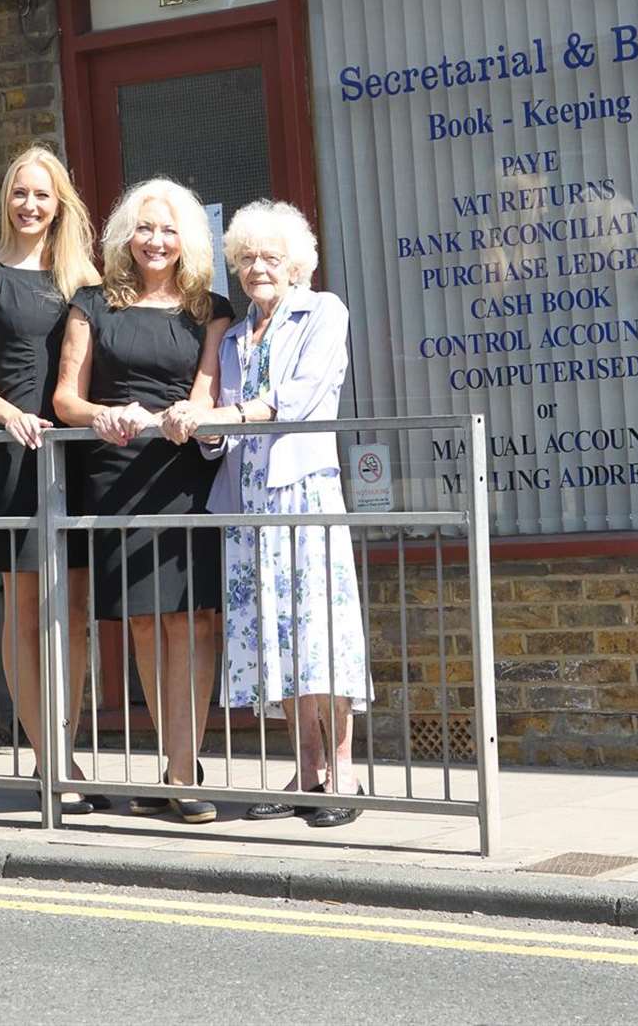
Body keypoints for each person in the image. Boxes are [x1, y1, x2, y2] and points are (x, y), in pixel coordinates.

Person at [166, 199, 368, 828]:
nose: (258, 268)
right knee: (275, 641)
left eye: (270, 258)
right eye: (247, 257)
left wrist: (220, 417)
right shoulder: (231, 338)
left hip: (302, 496)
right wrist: (196, 427)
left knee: (318, 635)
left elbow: (298, 401)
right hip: (248, 505)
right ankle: (303, 771)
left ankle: (341, 775)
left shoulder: (322, 312)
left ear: (296, 264)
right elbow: (221, 428)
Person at [53, 178, 232, 823]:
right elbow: (65, 400)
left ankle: (183, 767)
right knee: (149, 619)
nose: (156, 241)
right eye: (145, 228)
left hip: (185, 471)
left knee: (196, 617)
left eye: (169, 229)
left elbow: (209, 390)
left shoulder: (210, 308)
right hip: (119, 472)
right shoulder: (92, 303)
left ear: (188, 239)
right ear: (126, 236)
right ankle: (180, 765)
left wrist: (194, 410)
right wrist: (102, 414)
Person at [0, 145, 101, 813]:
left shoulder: (82, 277)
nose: (31, 204)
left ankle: (65, 747)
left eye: (43, 194)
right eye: (20, 193)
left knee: (72, 610)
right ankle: (50, 759)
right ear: (7, 200)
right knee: (24, 609)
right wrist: (13, 416)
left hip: (74, 451)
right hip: (16, 451)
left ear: (60, 202)